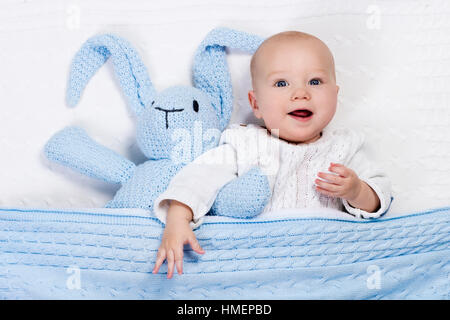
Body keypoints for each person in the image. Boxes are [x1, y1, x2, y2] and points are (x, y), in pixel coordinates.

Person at [152, 30, 392, 278]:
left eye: (315, 81)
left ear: (335, 94)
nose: (301, 93)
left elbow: (379, 199)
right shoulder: (244, 143)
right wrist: (178, 220)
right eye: (281, 83)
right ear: (256, 104)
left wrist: (356, 191)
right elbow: (199, 178)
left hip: (326, 264)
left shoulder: (345, 147)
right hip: (257, 262)